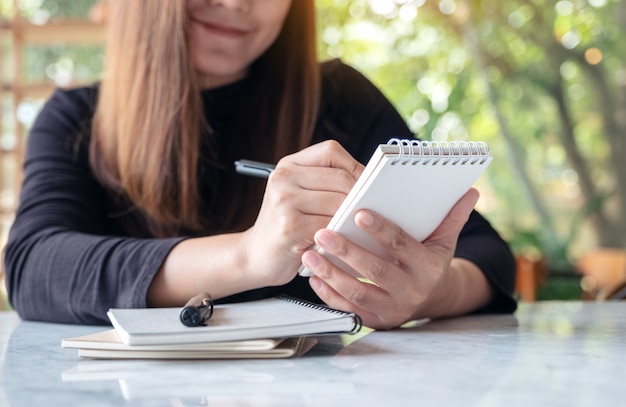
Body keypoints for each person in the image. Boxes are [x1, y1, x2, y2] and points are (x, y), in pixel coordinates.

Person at [4, 0, 517, 329]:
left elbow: (484, 253)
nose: (236, 3)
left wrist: (428, 292)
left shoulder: (342, 99)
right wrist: (247, 257)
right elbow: (36, 269)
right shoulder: (76, 119)